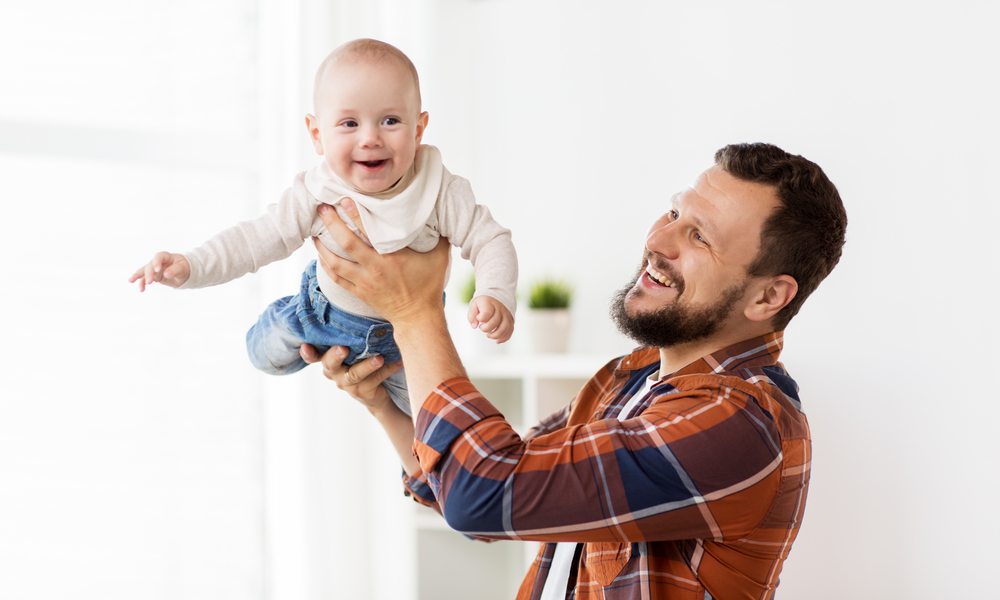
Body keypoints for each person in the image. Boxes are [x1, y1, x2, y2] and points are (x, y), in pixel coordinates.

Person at [302, 142, 847, 599]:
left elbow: (482, 492)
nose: (657, 241)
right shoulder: (628, 378)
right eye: (676, 213)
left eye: (700, 237)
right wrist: (384, 402)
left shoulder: (740, 425)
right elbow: (477, 494)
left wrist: (414, 312)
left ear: (769, 296)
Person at [128, 39, 517, 415]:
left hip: (404, 346)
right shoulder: (316, 193)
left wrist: (495, 292)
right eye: (349, 123)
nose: (370, 138)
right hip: (319, 315)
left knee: (437, 432)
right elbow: (252, 241)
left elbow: (490, 239)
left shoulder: (439, 189)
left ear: (418, 129)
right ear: (317, 135)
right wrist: (191, 265)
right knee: (262, 355)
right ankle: (286, 319)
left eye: (391, 120)